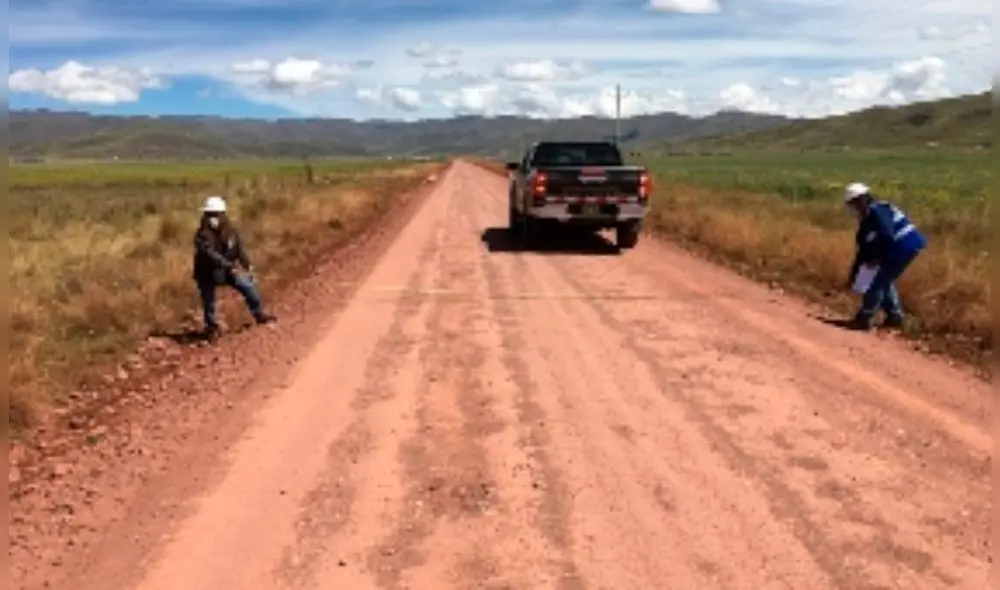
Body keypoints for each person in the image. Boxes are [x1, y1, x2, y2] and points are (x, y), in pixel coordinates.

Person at [842, 182, 927, 330]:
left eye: (854, 203)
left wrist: (878, 257)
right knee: (884, 280)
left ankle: (865, 317)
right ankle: (895, 316)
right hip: (901, 246)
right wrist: (854, 274)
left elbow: (887, 235)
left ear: (862, 200)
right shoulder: (867, 220)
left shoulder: (878, 210)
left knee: (877, 282)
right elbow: (863, 250)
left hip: (904, 246)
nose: (853, 208)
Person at [192, 195, 275, 338]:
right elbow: (210, 254)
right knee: (208, 300)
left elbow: (238, 250)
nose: (213, 218)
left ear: (223, 215)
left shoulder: (230, 232)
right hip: (207, 272)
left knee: (248, 286)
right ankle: (211, 327)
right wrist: (229, 266)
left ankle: (259, 313)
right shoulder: (202, 235)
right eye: (209, 215)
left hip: (227, 271)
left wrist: (247, 265)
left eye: (215, 215)